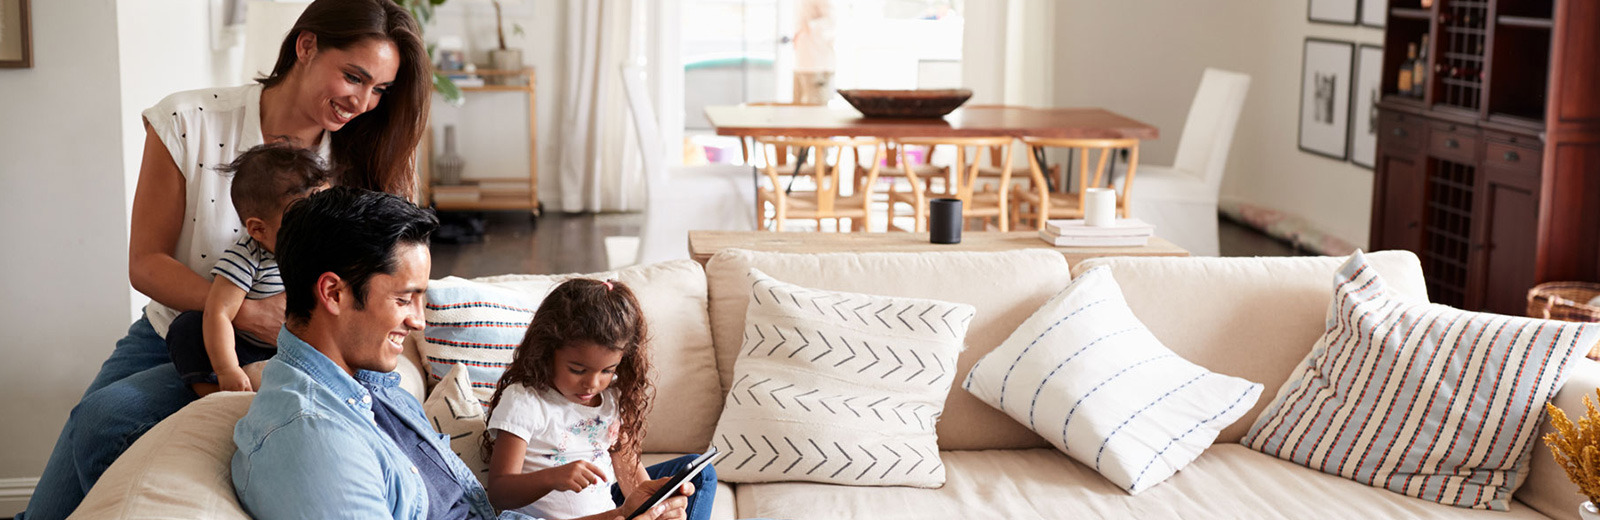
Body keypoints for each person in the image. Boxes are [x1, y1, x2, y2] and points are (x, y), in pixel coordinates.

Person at [21, 0, 430, 517]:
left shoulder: (361, 157)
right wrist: (240, 310)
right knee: (94, 424)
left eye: (380, 90)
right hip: (179, 328)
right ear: (306, 46)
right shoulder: (188, 120)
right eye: (354, 76)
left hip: (294, 347)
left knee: (106, 419)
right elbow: (146, 263)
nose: (363, 102)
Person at [232, 186, 694, 520]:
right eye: (402, 299)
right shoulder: (315, 441)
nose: (418, 320)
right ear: (333, 292)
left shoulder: (367, 385)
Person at [481, 280, 718, 520]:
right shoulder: (525, 401)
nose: (592, 384)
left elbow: (631, 476)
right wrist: (552, 478)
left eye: (607, 370)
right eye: (577, 370)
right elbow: (500, 492)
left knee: (700, 473)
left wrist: (654, 508)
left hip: (611, 514)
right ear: (547, 351)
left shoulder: (610, 398)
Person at [163, 144, 330, 397]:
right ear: (259, 230)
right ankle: (213, 393)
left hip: (298, 348)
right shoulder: (247, 257)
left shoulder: (325, 250)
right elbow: (218, 313)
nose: (319, 228)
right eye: (303, 220)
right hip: (246, 348)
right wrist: (227, 368)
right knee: (188, 327)